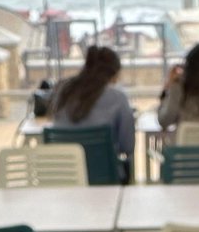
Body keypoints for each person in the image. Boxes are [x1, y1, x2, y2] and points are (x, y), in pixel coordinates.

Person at [50, 45, 135, 179]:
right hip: (104, 177)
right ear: (114, 74)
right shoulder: (118, 98)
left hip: (64, 175)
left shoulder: (63, 91)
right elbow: (127, 146)